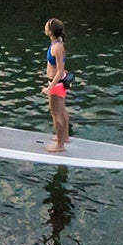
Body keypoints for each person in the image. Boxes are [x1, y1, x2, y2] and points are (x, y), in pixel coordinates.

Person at [43, 18, 72, 154]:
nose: (44, 28)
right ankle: (65, 137)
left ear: (51, 31)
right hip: (60, 83)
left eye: (46, 26)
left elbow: (60, 70)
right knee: (63, 111)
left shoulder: (56, 47)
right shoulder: (59, 43)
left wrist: (50, 87)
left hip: (56, 84)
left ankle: (60, 145)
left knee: (56, 115)